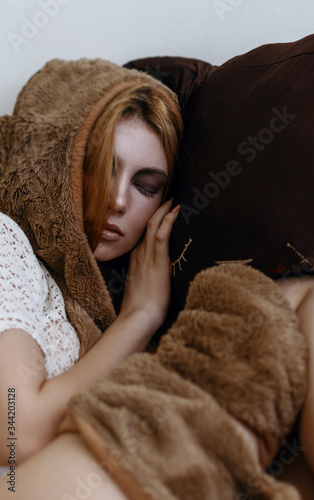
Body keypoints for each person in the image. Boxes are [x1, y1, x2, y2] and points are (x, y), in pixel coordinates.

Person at [0, 58, 183, 468]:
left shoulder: (88, 303)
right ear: (50, 165)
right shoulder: (2, 239)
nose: (118, 200)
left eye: (146, 185)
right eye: (98, 167)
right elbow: (16, 435)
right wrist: (142, 314)